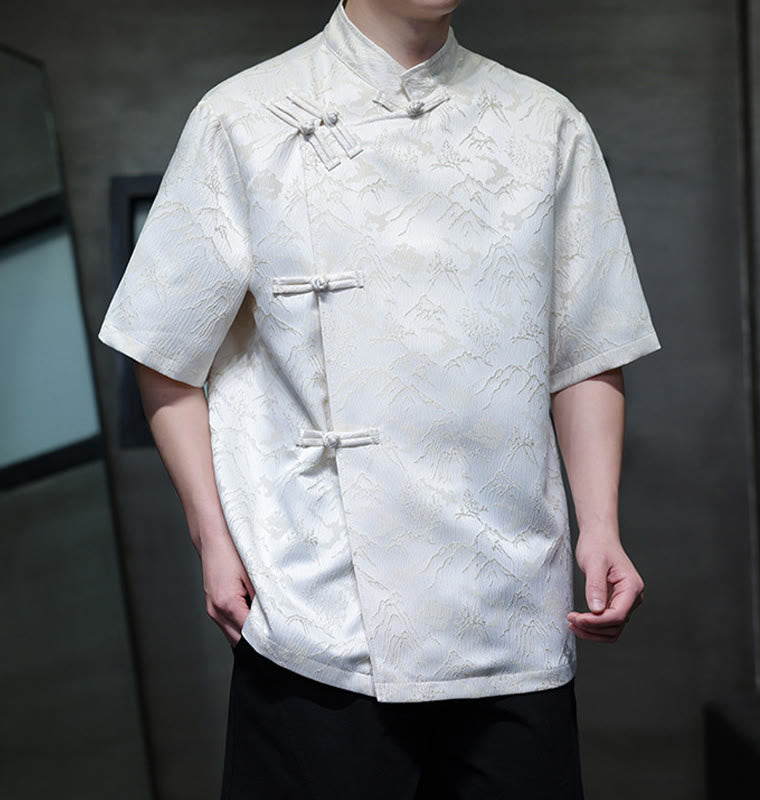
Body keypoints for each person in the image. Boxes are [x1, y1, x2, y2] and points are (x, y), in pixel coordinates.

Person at [100, 0, 660, 797]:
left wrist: (600, 526)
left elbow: (587, 350)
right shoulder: (241, 117)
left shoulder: (546, 124)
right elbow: (164, 350)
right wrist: (211, 537)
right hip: (317, 608)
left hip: (512, 606)